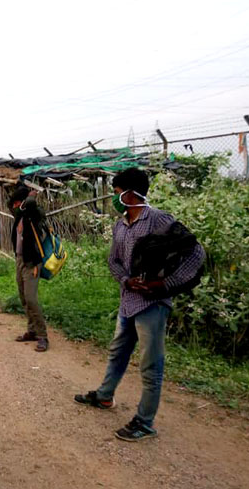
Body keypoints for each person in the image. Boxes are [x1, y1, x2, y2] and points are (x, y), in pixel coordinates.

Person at [74, 168, 205, 442]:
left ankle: (145, 423)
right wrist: (125, 280)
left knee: (150, 365)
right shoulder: (120, 225)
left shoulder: (159, 220)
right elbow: (114, 261)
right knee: (118, 353)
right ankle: (104, 396)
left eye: (117, 191)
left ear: (131, 193)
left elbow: (195, 252)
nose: (114, 196)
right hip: (128, 302)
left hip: (153, 306)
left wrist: (165, 284)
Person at [11, 186, 50, 352]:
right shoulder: (20, 216)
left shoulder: (34, 215)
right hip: (20, 260)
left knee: (31, 299)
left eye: (19, 202)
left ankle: (43, 336)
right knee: (24, 298)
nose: (15, 206)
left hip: (32, 263)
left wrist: (31, 197)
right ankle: (32, 330)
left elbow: (32, 206)